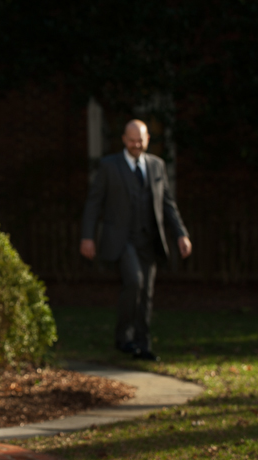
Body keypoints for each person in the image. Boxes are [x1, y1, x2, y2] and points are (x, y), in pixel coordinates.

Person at [80, 119, 192, 361]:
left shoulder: (157, 166)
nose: (136, 145)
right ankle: (124, 337)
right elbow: (94, 202)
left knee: (147, 293)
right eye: (131, 141)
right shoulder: (110, 166)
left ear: (147, 139)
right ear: (123, 140)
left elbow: (168, 204)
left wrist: (181, 234)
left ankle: (143, 344)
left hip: (149, 239)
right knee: (134, 282)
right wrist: (87, 237)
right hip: (122, 240)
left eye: (140, 140)